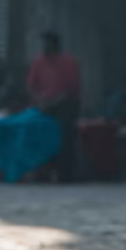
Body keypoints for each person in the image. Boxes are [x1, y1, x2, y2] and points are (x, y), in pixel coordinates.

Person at [27, 31, 80, 182]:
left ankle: (65, 174)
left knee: (64, 133)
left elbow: (71, 90)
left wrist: (52, 103)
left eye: (48, 44)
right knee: (33, 127)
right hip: (44, 104)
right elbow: (31, 86)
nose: (45, 47)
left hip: (64, 104)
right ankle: (40, 172)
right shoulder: (38, 62)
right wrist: (40, 102)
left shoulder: (69, 62)